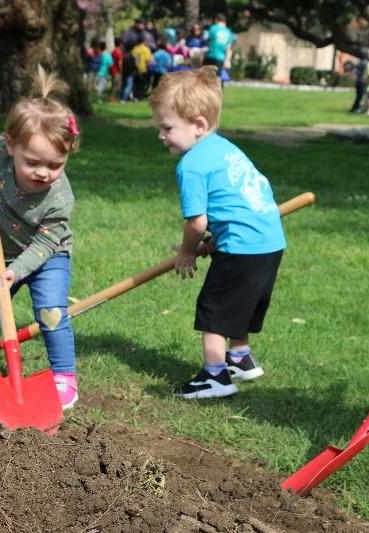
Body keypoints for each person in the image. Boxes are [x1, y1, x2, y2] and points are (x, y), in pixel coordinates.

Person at [148, 67, 287, 399]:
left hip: (242, 247)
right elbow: (239, 201)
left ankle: (215, 377)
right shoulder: (225, 149)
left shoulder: (192, 165)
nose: (161, 136)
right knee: (241, 304)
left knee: (215, 310)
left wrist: (186, 251)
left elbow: (196, 221)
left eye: (167, 128)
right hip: (268, 242)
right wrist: (216, 241)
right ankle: (240, 357)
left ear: (199, 125)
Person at [0, 67, 81, 410]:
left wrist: (16, 272)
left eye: (56, 164)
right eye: (33, 162)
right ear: (10, 146)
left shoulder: (59, 198)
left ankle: (63, 377)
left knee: (51, 312)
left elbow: (44, 242)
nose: (44, 172)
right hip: (1, 250)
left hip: (48, 256)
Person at [204, 14, 232, 81]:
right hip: (221, 58)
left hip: (211, 56)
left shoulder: (213, 28)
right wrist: (227, 60)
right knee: (218, 78)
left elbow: (206, 39)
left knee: (206, 77)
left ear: (217, 20)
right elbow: (228, 48)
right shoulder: (228, 32)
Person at [131, 34, 152, 100]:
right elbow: (148, 60)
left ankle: (135, 96)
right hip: (144, 69)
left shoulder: (135, 49)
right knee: (143, 84)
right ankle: (141, 96)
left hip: (136, 69)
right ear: (143, 41)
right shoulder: (146, 49)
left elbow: (134, 59)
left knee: (136, 84)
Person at [350, 48, 369, 113]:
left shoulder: (360, 62)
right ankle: (360, 108)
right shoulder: (366, 62)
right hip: (363, 81)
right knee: (363, 95)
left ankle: (355, 107)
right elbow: (365, 73)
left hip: (359, 80)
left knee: (358, 95)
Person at [109, 37, 123, 102]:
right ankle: (113, 98)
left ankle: (112, 97)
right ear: (120, 44)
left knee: (113, 85)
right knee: (116, 85)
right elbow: (120, 62)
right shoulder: (118, 51)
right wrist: (121, 70)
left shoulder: (113, 51)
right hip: (117, 71)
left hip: (113, 70)